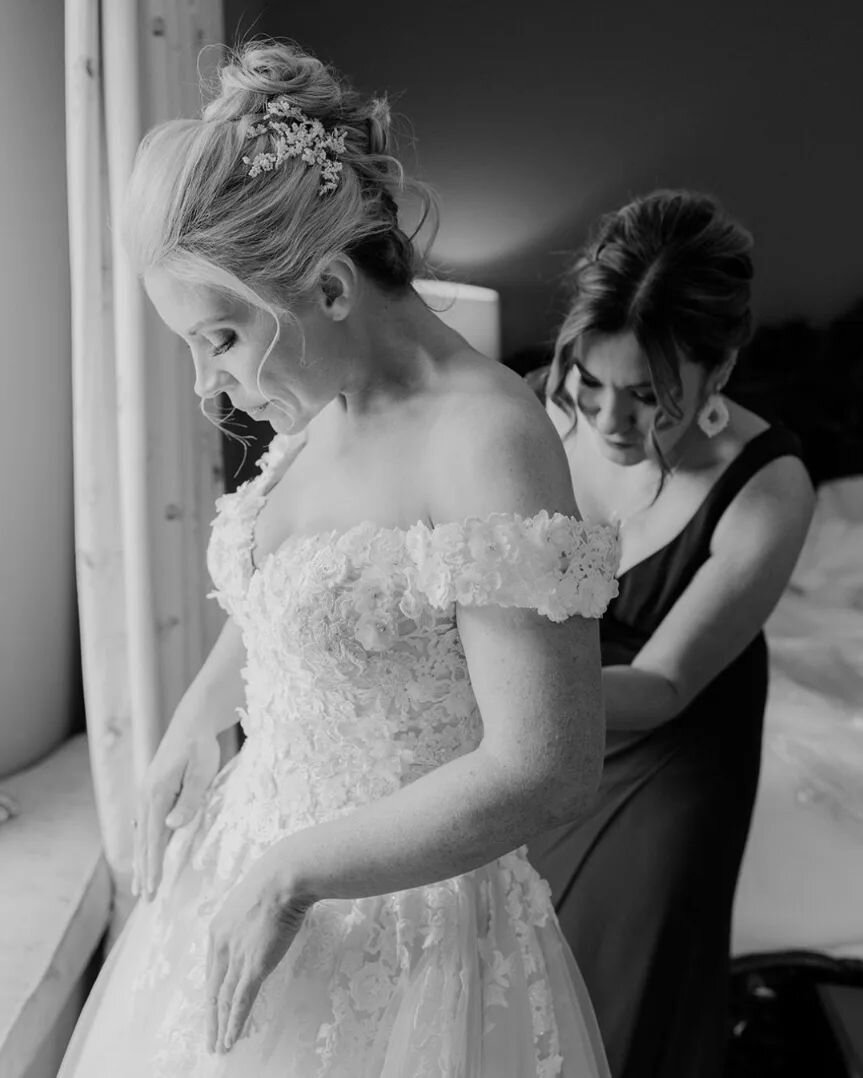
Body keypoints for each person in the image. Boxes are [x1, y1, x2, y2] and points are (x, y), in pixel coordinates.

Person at [59, 42, 621, 1077]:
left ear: (324, 287)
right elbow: (305, 590)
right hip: (245, 877)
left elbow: (545, 765)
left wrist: (290, 875)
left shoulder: (486, 440)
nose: (206, 386)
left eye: (219, 338)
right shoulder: (322, 404)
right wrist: (196, 714)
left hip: (398, 934)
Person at [526, 190, 815, 1078]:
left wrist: (499, 689)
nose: (610, 421)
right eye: (592, 384)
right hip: (539, 734)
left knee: (619, 999)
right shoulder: (541, 424)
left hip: (671, 744)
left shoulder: (769, 487)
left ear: (719, 371)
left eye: (650, 397)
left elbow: (662, 688)